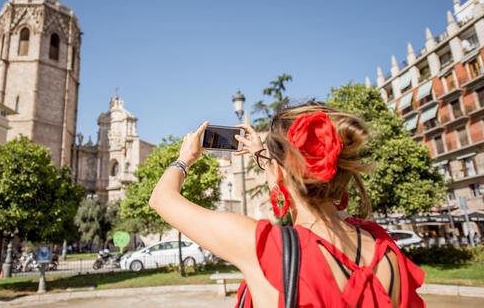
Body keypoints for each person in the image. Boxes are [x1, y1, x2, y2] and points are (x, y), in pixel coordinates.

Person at [149, 103, 425, 307]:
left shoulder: (266, 248)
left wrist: (185, 158)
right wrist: (267, 159)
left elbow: (161, 198)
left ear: (279, 172)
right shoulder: (383, 249)